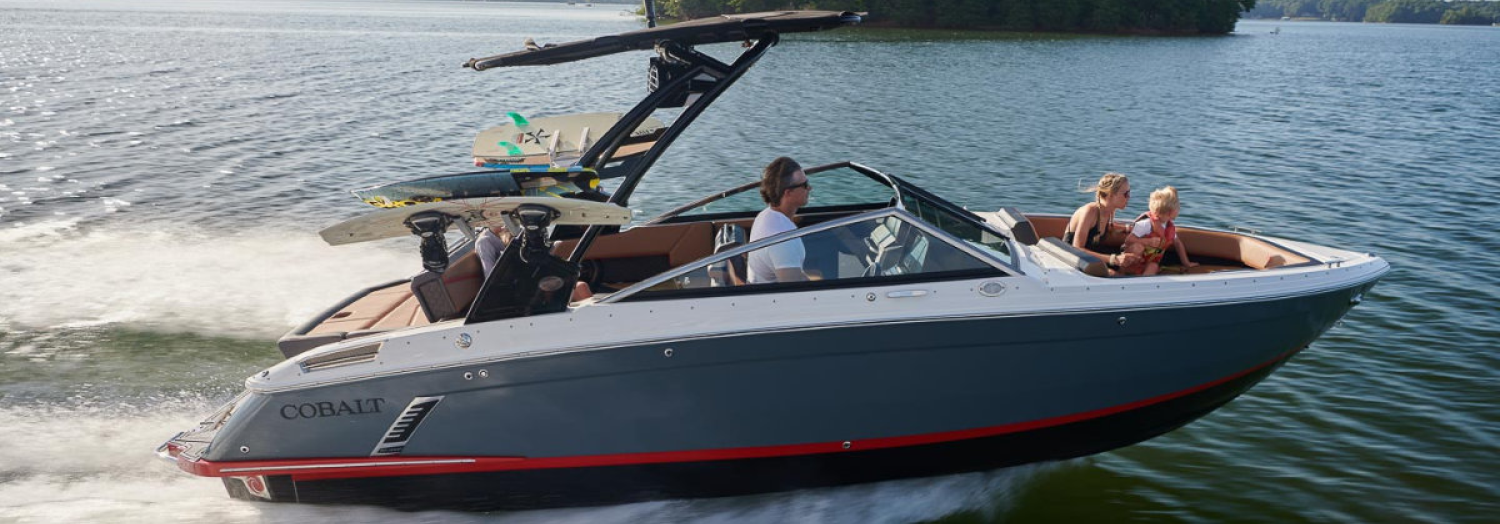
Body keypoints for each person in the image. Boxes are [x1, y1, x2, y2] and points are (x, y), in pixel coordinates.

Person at [747, 157, 812, 283]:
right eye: (804, 185)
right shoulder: (783, 236)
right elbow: (792, 291)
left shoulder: (765, 215)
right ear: (788, 193)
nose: (809, 188)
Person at [1064, 172, 1140, 273]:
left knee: (1136, 252)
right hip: (1072, 258)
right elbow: (1077, 248)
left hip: (1091, 255)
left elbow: (1107, 227)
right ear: (1111, 195)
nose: (1129, 197)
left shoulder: (1107, 211)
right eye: (1126, 194)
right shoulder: (1090, 211)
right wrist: (1114, 259)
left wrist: (1128, 228)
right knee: (1112, 274)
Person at [1121, 186, 1198, 276]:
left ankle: (1142, 282)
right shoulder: (1145, 224)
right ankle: (1122, 273)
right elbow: (1128, 240)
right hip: (1132, 259)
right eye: (1178, 207)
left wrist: (1186, 263)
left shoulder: (1168, 228)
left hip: (1149, 261)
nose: (1179, 209)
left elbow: (1177, 243)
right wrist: (1147, 241)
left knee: (1154, 266)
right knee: (1138, 247)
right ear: (1170, 212)